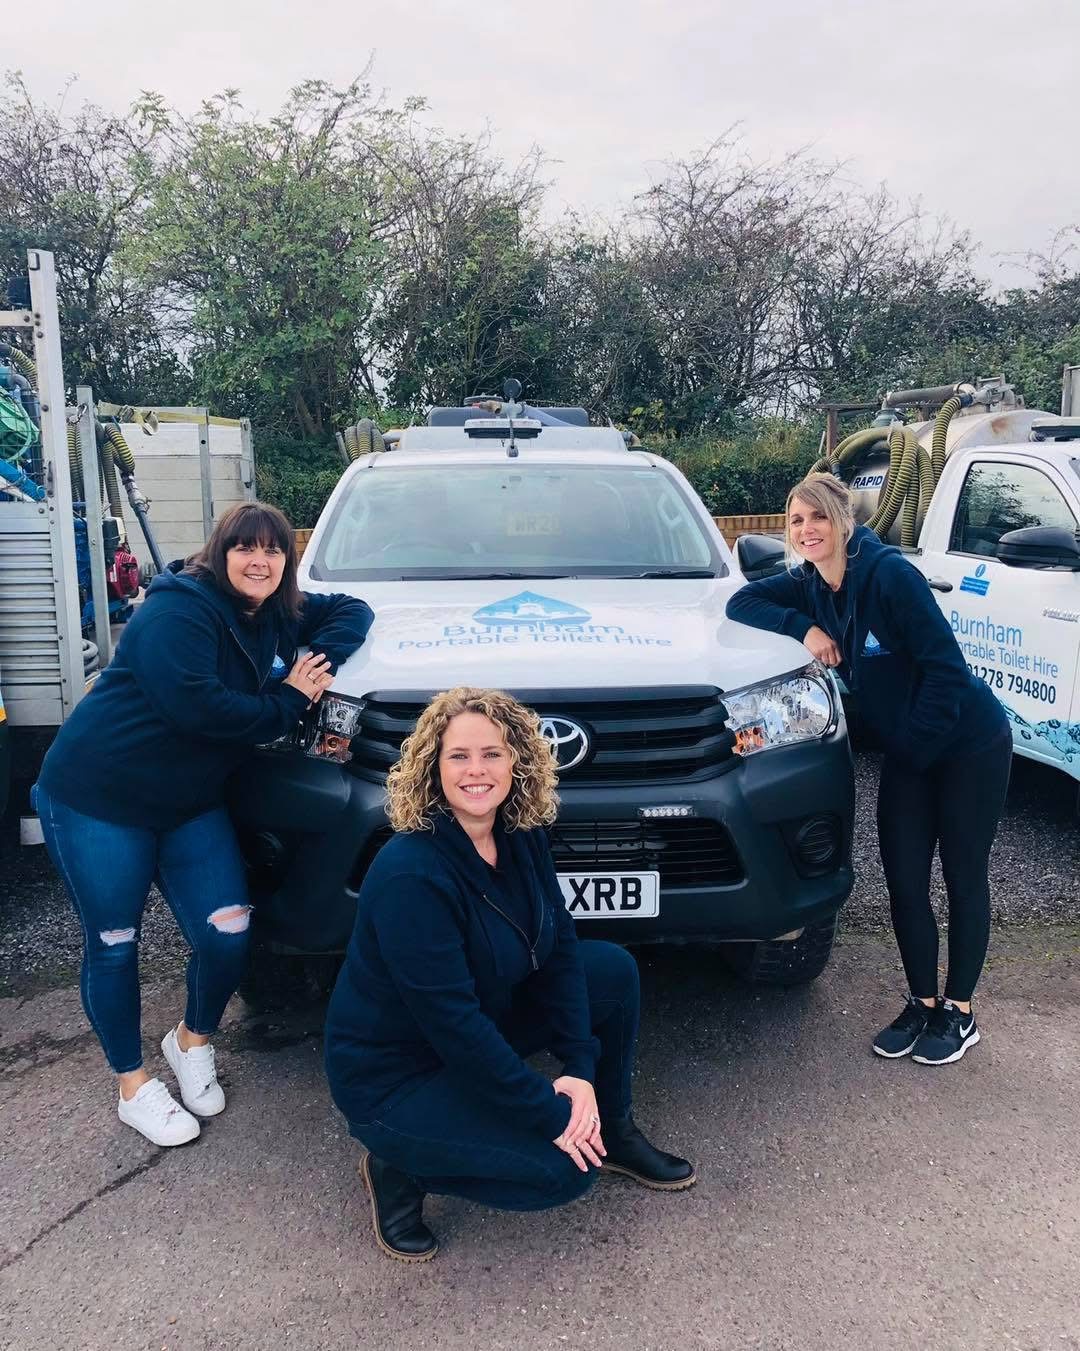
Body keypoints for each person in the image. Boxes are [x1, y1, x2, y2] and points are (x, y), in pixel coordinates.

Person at [33, 502, 373, 1146]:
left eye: (273, 551)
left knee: (228, 933)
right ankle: (133, 1084)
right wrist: (291, 697)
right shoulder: (176, 611)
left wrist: (317, 660)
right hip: (99, 798)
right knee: (113, 942)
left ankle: (190, 1040)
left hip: (188, 804)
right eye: (244, 548)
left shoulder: (274, 607)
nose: (260, 561)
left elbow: (353, 611)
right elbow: (202, 710)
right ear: (220, 553)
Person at [324, 686, 694, 1263]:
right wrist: (555, 1116)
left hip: (480, 1022)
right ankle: (399, 1166)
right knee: (562, 1172)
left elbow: (562, 949)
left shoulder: (519, 836)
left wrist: (580, 1074)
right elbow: (455, 1028)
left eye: (492, 753)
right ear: (432, 767)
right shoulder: (409, 873)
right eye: (459, 756)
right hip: (397, 1075)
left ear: (517, 759)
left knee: (612, 972)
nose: (477, 770)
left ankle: (615, 1134)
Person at [726, 473, 1011, 1066]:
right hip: (910, 754)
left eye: (819, 518)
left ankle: (958, 1012)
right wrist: (804, 627)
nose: (807, 531)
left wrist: (908, 750)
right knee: (904, 880)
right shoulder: (811, 585)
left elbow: (946, 673)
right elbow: (740, 600)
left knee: (962, 875)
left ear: (843, 521)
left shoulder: (889, 577)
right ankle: (920, 1000)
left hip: (967, 744)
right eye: (797, 521)